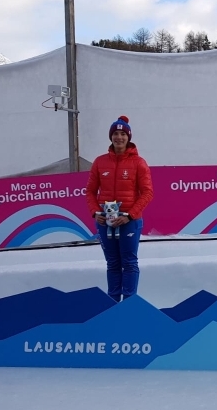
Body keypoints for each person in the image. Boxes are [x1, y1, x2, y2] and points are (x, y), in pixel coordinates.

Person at [86, 116, 154, 302]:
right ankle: (113, 303)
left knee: (129, 263)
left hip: (129, 221)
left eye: (123, 134)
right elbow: (90, 191)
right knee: (113, 263)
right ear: (111, 136)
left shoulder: (139, 163)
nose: (119, 137)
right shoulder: (99, 162)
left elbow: (147, 193)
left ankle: (129, 304)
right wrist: (95, 212)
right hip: (105, 221)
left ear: (128, 137)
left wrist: (130, 216)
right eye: (115, 133)